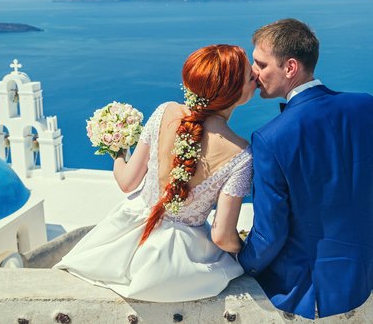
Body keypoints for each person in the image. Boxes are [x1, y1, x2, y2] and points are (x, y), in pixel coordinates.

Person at [237, 19, 373, 319]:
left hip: (317, 285)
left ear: (290, 67)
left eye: (260, 63)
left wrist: (241, 263)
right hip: (371, 261)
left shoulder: (269, 138)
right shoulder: (367, 105)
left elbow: (271, 233)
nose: (253, 72)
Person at [55, 44, 257, 302]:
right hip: (179, 261)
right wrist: (244, 252)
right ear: (233, 93)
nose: (256, 76)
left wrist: (116, 150)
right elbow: (222, 236)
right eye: (250, 76)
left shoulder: (165, 111)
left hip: (122, 243)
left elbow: (127, 182)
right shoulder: (241, 154)